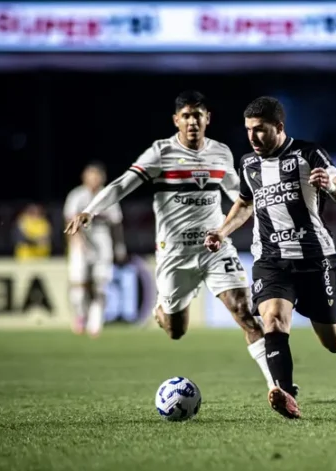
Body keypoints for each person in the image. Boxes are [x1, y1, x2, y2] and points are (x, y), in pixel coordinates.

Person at [64, 90, 282, 391]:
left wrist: (267, 208)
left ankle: (277, 386)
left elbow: (238, 195)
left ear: (207, 119)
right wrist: (90, 210)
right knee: (176, 330)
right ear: (176, 120)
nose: (192, 121)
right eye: (186, 116)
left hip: (214, 247)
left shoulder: (220, 152)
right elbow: (123, 184)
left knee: (243, 311)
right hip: (175, 255)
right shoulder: (161, 153)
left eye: (198, 115)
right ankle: (162, 311)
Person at [204, 96, 336, 420]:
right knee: (273, 320)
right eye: (248, 130)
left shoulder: (309, 154)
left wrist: (330, 185)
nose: (252, 137)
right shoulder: (249, 164)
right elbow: (245, 203)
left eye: (260, 129)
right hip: (271, 260)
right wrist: (222, 231)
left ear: (279, 127)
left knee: (330, 338)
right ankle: (285, 393)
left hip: (315, 259)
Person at [63, 162, 126, 337]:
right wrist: (75, 241)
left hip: (103, 243)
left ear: (102, 178)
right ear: (84, 177)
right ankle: (80, 315)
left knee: (100, 285)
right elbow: (69, 221)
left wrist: (119, 247)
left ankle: (95, 323)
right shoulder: (76, 195)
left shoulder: (108, 195)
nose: (93, 179)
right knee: (78, 286)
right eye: (90, 175)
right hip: (81, 243)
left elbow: (116, 225)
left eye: (96, 176)